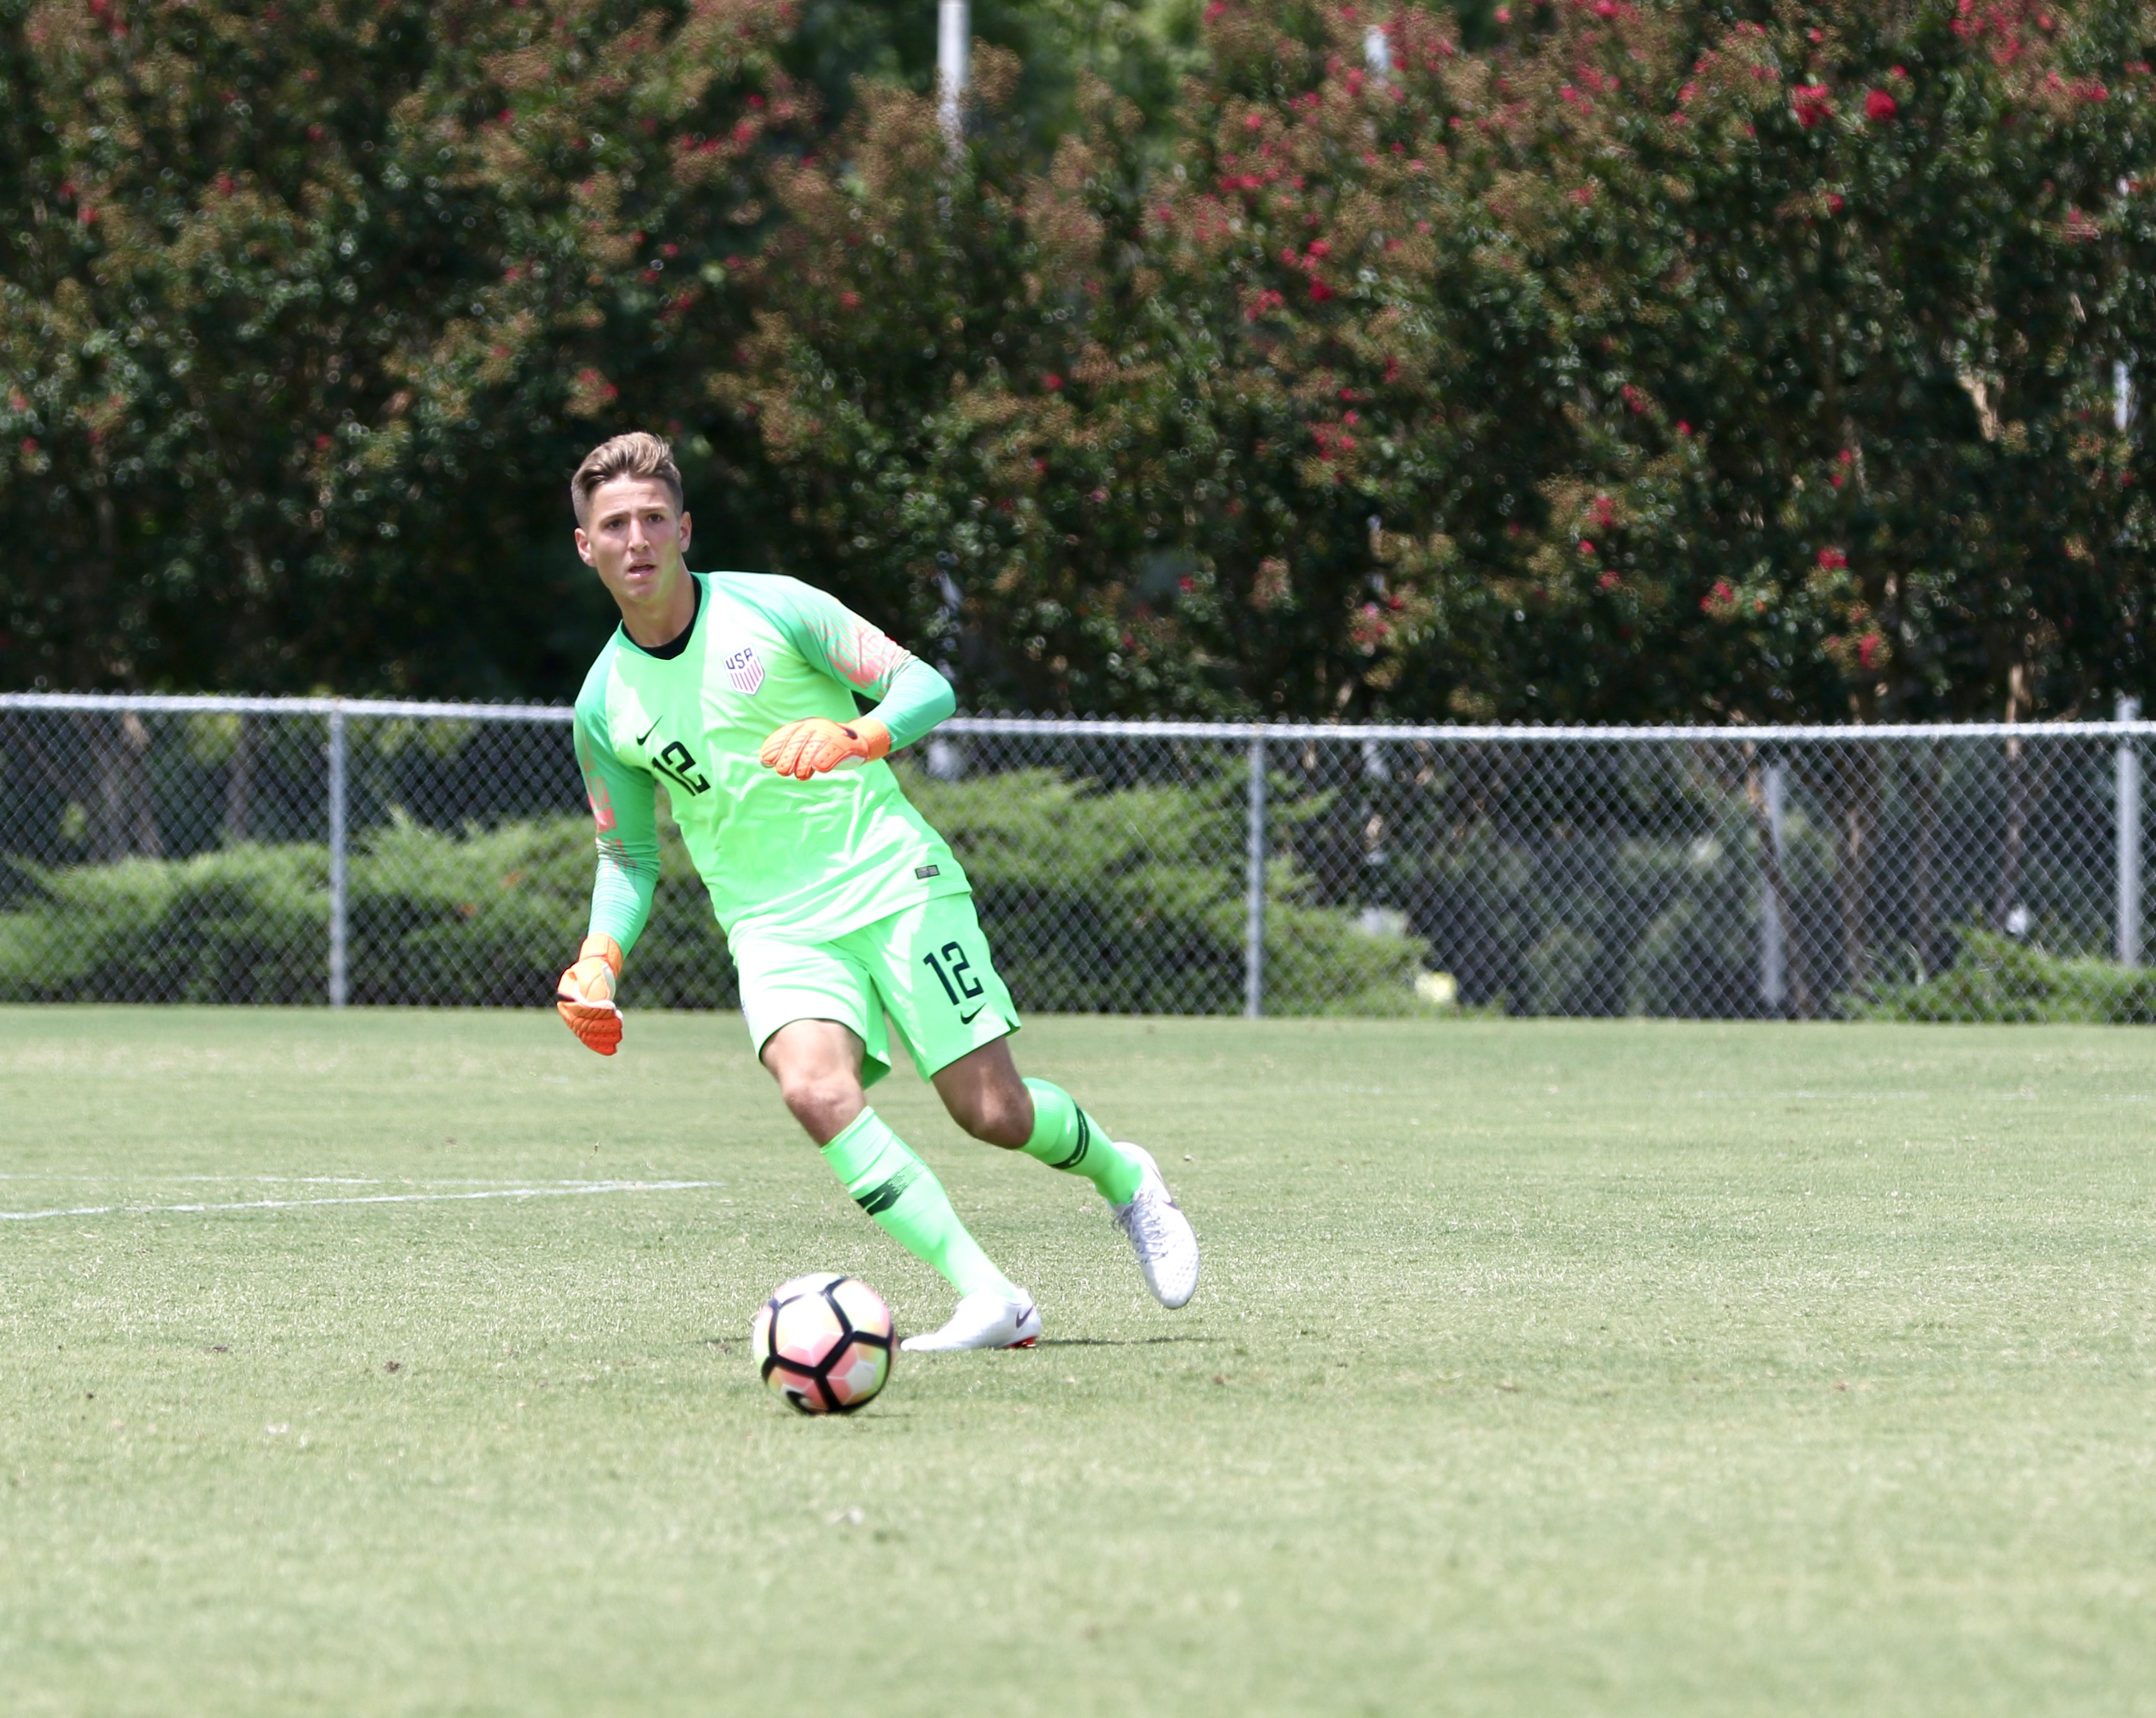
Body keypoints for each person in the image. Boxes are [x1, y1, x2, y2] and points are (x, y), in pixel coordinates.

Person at [551, 432, 1199, 1350]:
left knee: (993, 1113)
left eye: (655, 517)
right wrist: (598, 959)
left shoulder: (774, 609)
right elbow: (627, 859)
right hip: (773, 925)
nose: (637, 538)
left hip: (896, 879)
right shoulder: (601, 702)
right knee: (814, 1091)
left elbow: (925, 686)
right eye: (614, 524)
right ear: (587, 546)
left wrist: (858, 736)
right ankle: (991, 1295)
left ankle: (1125, 1175)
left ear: (685, 528)